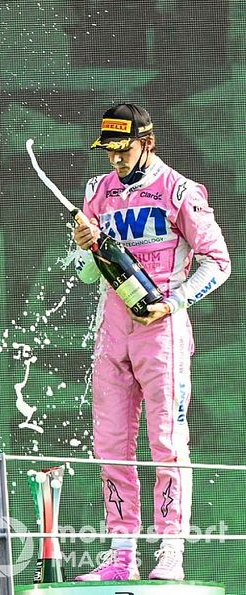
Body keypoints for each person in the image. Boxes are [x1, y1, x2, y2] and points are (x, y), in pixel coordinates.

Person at [72, 104, 230, 581]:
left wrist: (174, 302)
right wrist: (85, 247)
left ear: (146, 141)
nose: (115, 160)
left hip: (162, 331)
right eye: (109, 151)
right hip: (113, 330)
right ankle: (121, 555)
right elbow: (84, 277)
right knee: (112, 445)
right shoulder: (98, 191)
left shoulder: (179, 191)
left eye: (123, 150)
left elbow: (218, 263)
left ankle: (171, 552)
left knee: (167, 443)